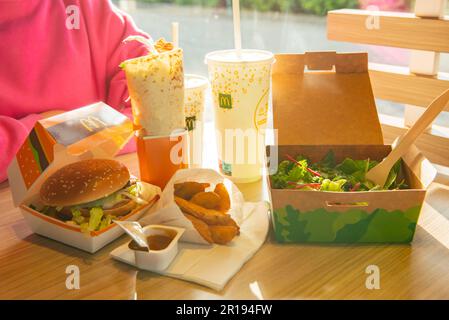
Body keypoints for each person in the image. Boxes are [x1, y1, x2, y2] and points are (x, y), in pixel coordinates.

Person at [0, 0, 150, 182]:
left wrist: (62, 133)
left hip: (100, 183)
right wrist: (50, 136)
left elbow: (153, 102)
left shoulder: (89, 8)